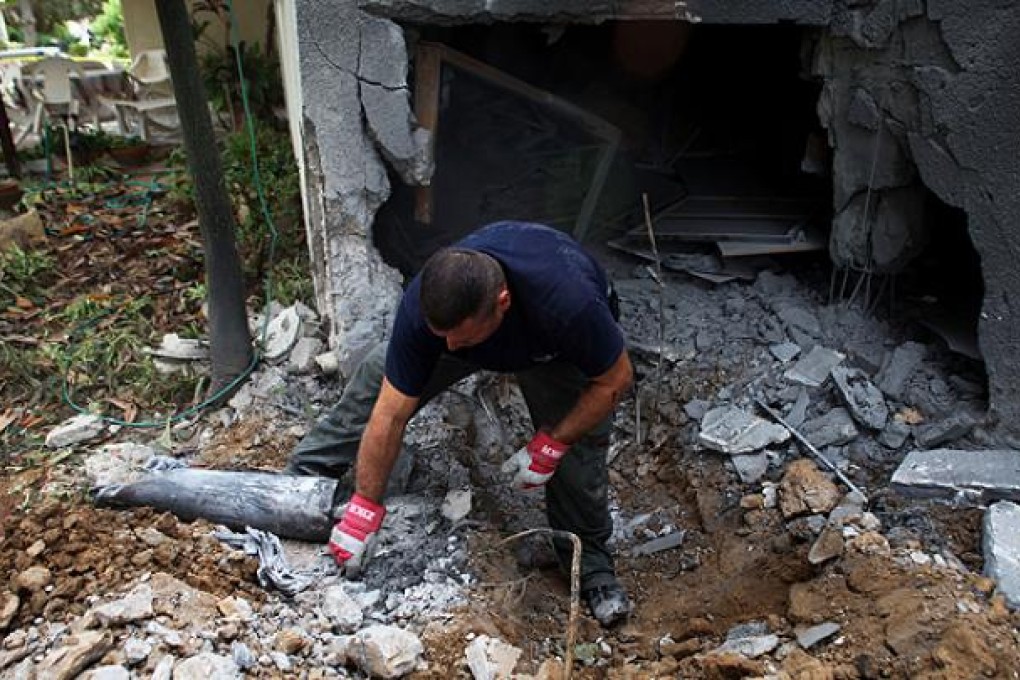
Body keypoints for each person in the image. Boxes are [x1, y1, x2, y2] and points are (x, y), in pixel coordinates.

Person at [286, 221, 634, 627]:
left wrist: (552, 444)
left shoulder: (568, 303)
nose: (449, 347)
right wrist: (365, 506)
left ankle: (590, 567)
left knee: (580, 448)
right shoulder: (427, 309)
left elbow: (615, 379)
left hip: (553, 351)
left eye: (460, 339)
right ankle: (304, 474)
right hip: (486, 328)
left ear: (502, 302)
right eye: (442, 336)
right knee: (375, 378)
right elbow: (390, 413)